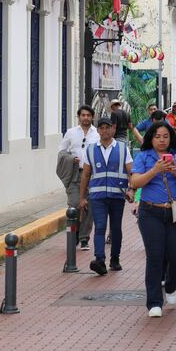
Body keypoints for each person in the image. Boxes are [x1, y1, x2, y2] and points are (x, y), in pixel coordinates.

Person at [130, 123, 176, 318]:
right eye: (158, 136)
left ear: (171, 138)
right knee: (155, 256)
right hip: (150, 212)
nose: (162, 140)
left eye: (166, 136)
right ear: (151, 138)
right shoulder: (144, 156)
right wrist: (155, 170)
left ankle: (171, 285)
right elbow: (135, 182)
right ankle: (154, 302)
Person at [78, 117, 134, 274]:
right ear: (98, 130)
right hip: (98, 196)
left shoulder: (123, 149)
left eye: (107, 127)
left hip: (117, 196)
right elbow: (85, 175)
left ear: (113, 129)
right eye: (101, 128)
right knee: (100, 226)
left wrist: (132, 190)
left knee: (116, 228)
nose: (104, 130)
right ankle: (100, 259)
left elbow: (132, 172)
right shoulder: (90, 149)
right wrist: (82, 198)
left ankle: (115, 259)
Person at [57, 105, 100, 250]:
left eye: (88, 115)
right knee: (74, 205)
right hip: (76, 174)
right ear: (79, 117)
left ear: (92, 117)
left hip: (92, 175)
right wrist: (70, 158)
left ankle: (84, 238)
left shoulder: (97, 134)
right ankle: (73, 234)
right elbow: (61, 152)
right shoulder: (70, 133)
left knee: (89, 207)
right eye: (83, 115)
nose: (86, 117)